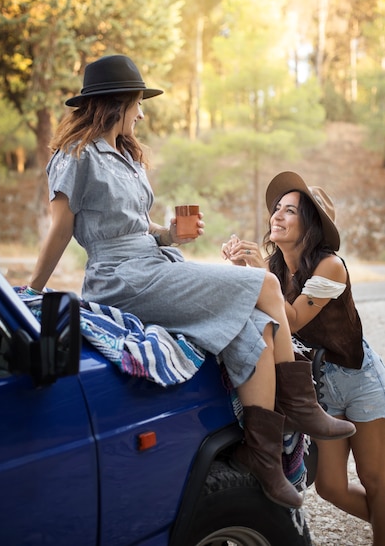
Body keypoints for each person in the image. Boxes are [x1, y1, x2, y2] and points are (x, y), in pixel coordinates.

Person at [27, 56, 354, 510]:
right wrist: (32, 288)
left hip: (152, 261)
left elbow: (136, 227)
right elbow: (62, 230)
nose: (141, 114)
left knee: (257, 328)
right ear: (118, 103)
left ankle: (262, 456)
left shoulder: (126, 156)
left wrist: (168, 234)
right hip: (121, 278)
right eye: (138, 103)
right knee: (265, 286)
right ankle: (300, 406)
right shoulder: (75, 157)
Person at [222, 170, 385, 544]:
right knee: (330, 488)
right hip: (318, 383)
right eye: (276, 209)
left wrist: (260, 273)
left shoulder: (331, 266)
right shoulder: (275, 268)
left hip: (358, 378)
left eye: (289, 211)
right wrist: (239, 268)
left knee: (375, 480)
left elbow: (292, 319)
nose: (276, 215)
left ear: (310, 224)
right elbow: (261, 307)